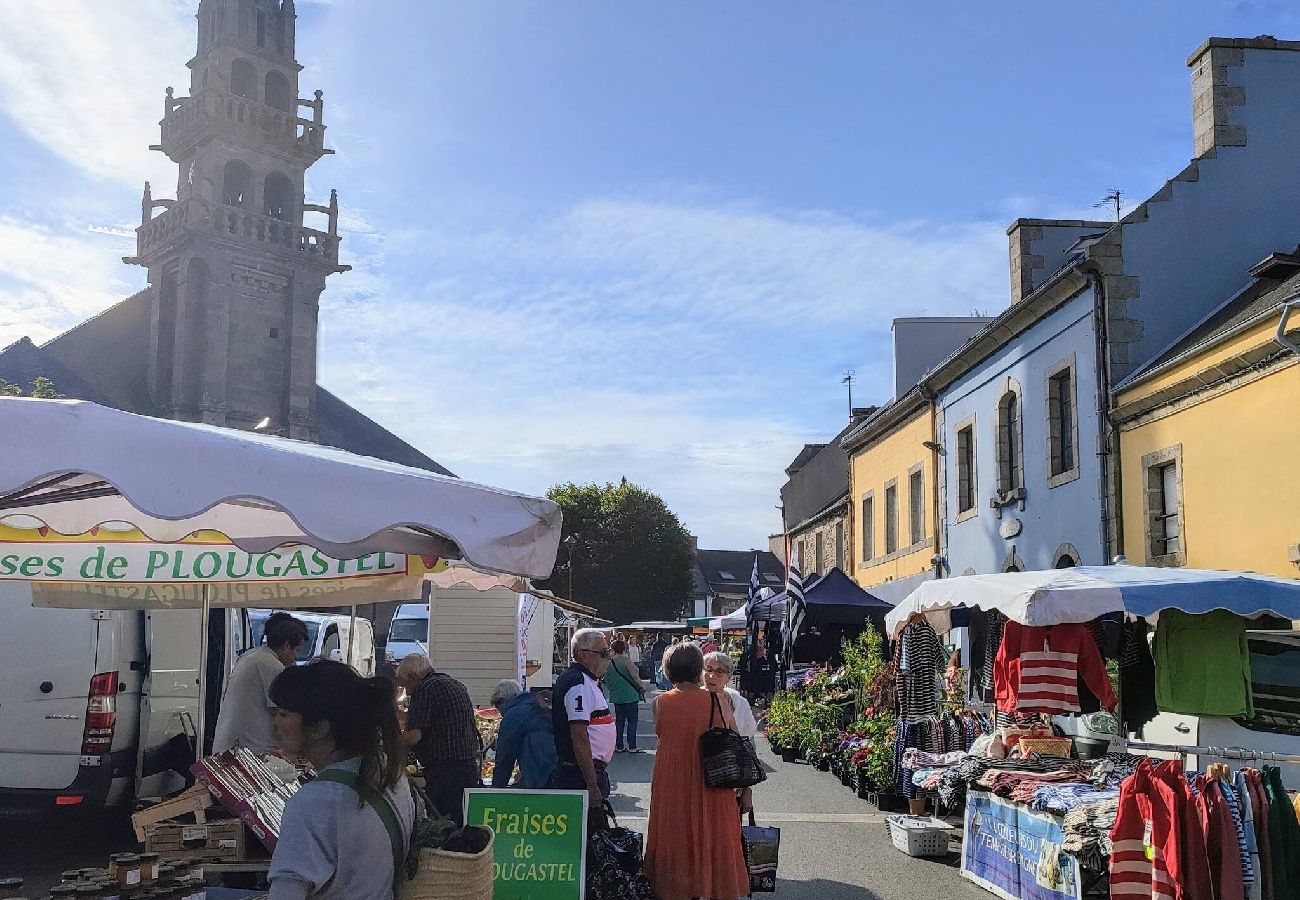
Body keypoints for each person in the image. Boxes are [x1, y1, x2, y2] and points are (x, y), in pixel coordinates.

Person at [266, 660, 414, 900]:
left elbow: (286, 893)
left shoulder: (315, 801)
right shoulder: (389, 772)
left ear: (319, 728)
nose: (276, 722)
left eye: (284, 713)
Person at [643, 642, 750, 900]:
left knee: (675, 835)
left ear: (668, 669)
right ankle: (711, 887)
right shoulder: (718, 700)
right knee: (714, 835)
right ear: (698, 670)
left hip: (672, 779)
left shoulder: (659, 703)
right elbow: (735, 739)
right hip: (711, 778)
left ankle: (676, 889)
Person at [396, 653, 480, 825]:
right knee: (462, 821)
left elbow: (413, 736)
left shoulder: (424, 690)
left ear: (414, 677)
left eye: (407, 686)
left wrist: (395, 761)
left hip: (444, 772)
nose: (407, 692)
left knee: (443, 825)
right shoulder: (454, 684)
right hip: (468, 765)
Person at [213, 612, 308, 755]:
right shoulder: (272, 666)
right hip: (249, 753)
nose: (295, 657)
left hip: (230, 747)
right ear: (287, 645)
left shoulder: (251, 656)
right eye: (296, 650)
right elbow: (287, 713)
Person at [550, 628, 616, 830]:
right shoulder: (578, 682)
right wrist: (592, 785)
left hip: (586, 771)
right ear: (584, 654)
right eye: (604, 653)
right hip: (579, 775)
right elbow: (579, 735)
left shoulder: (585, 680)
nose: (608, 657)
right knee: (589, 837)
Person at [493, 685, 557, 789]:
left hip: (540, 776)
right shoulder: (533, 704)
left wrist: (496, 791)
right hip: (559, 770)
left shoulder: (513, 715)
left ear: (502, 701)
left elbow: (504, 759)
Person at [703, 650, 757, 740]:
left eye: (719, 672)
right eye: (709, 670)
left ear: (729, 677)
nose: (712, 676)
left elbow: (749, 733)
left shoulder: (740, 703)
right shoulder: (693, 700)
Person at [606, 639, 646, 753]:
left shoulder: (609, 663)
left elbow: (607, 680)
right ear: (624, 648)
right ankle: (632, 746)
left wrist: (613, 689)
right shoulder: (626, 660)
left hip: (617, 696)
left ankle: (619, 745)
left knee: (619, 721)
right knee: (632, 721)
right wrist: (642, 687)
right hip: (630, 695)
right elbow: (635, 676)